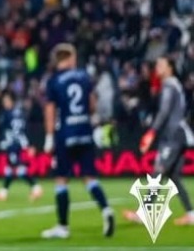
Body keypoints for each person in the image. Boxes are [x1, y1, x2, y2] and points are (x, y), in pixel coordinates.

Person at [40, 43, 114, 239]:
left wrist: (49, 137)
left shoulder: (53, 80)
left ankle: (62, 227)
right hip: (85, 131)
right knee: (90, 178)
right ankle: (106, 210)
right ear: (69, 58)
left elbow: (50, 110)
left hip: (65, 133)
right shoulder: (83, 76)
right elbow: (92, 104)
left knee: (61, 179)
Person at [124, 54, 194, 226]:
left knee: (158, 171)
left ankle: (144, 214)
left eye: (161, 65)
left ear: (170, 68)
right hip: (180, 134)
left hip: (173, 135)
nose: (157, 68)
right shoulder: (174, 84)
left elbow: (164, 111)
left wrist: (151, 132)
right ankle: (191, 214)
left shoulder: (169, 85)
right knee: (173, 176)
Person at [0, 91, 43, 202]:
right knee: (9, 169)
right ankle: (3, 192)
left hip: (13, 143)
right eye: (4, 101)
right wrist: (28, 144)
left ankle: (36, 187)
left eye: (7, 101)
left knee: (19, 169)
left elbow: (1, 128)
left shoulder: (7, 114)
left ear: (12, 101)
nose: (5, 103)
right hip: (19, 143)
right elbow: (25, 129)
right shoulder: (20, 113)